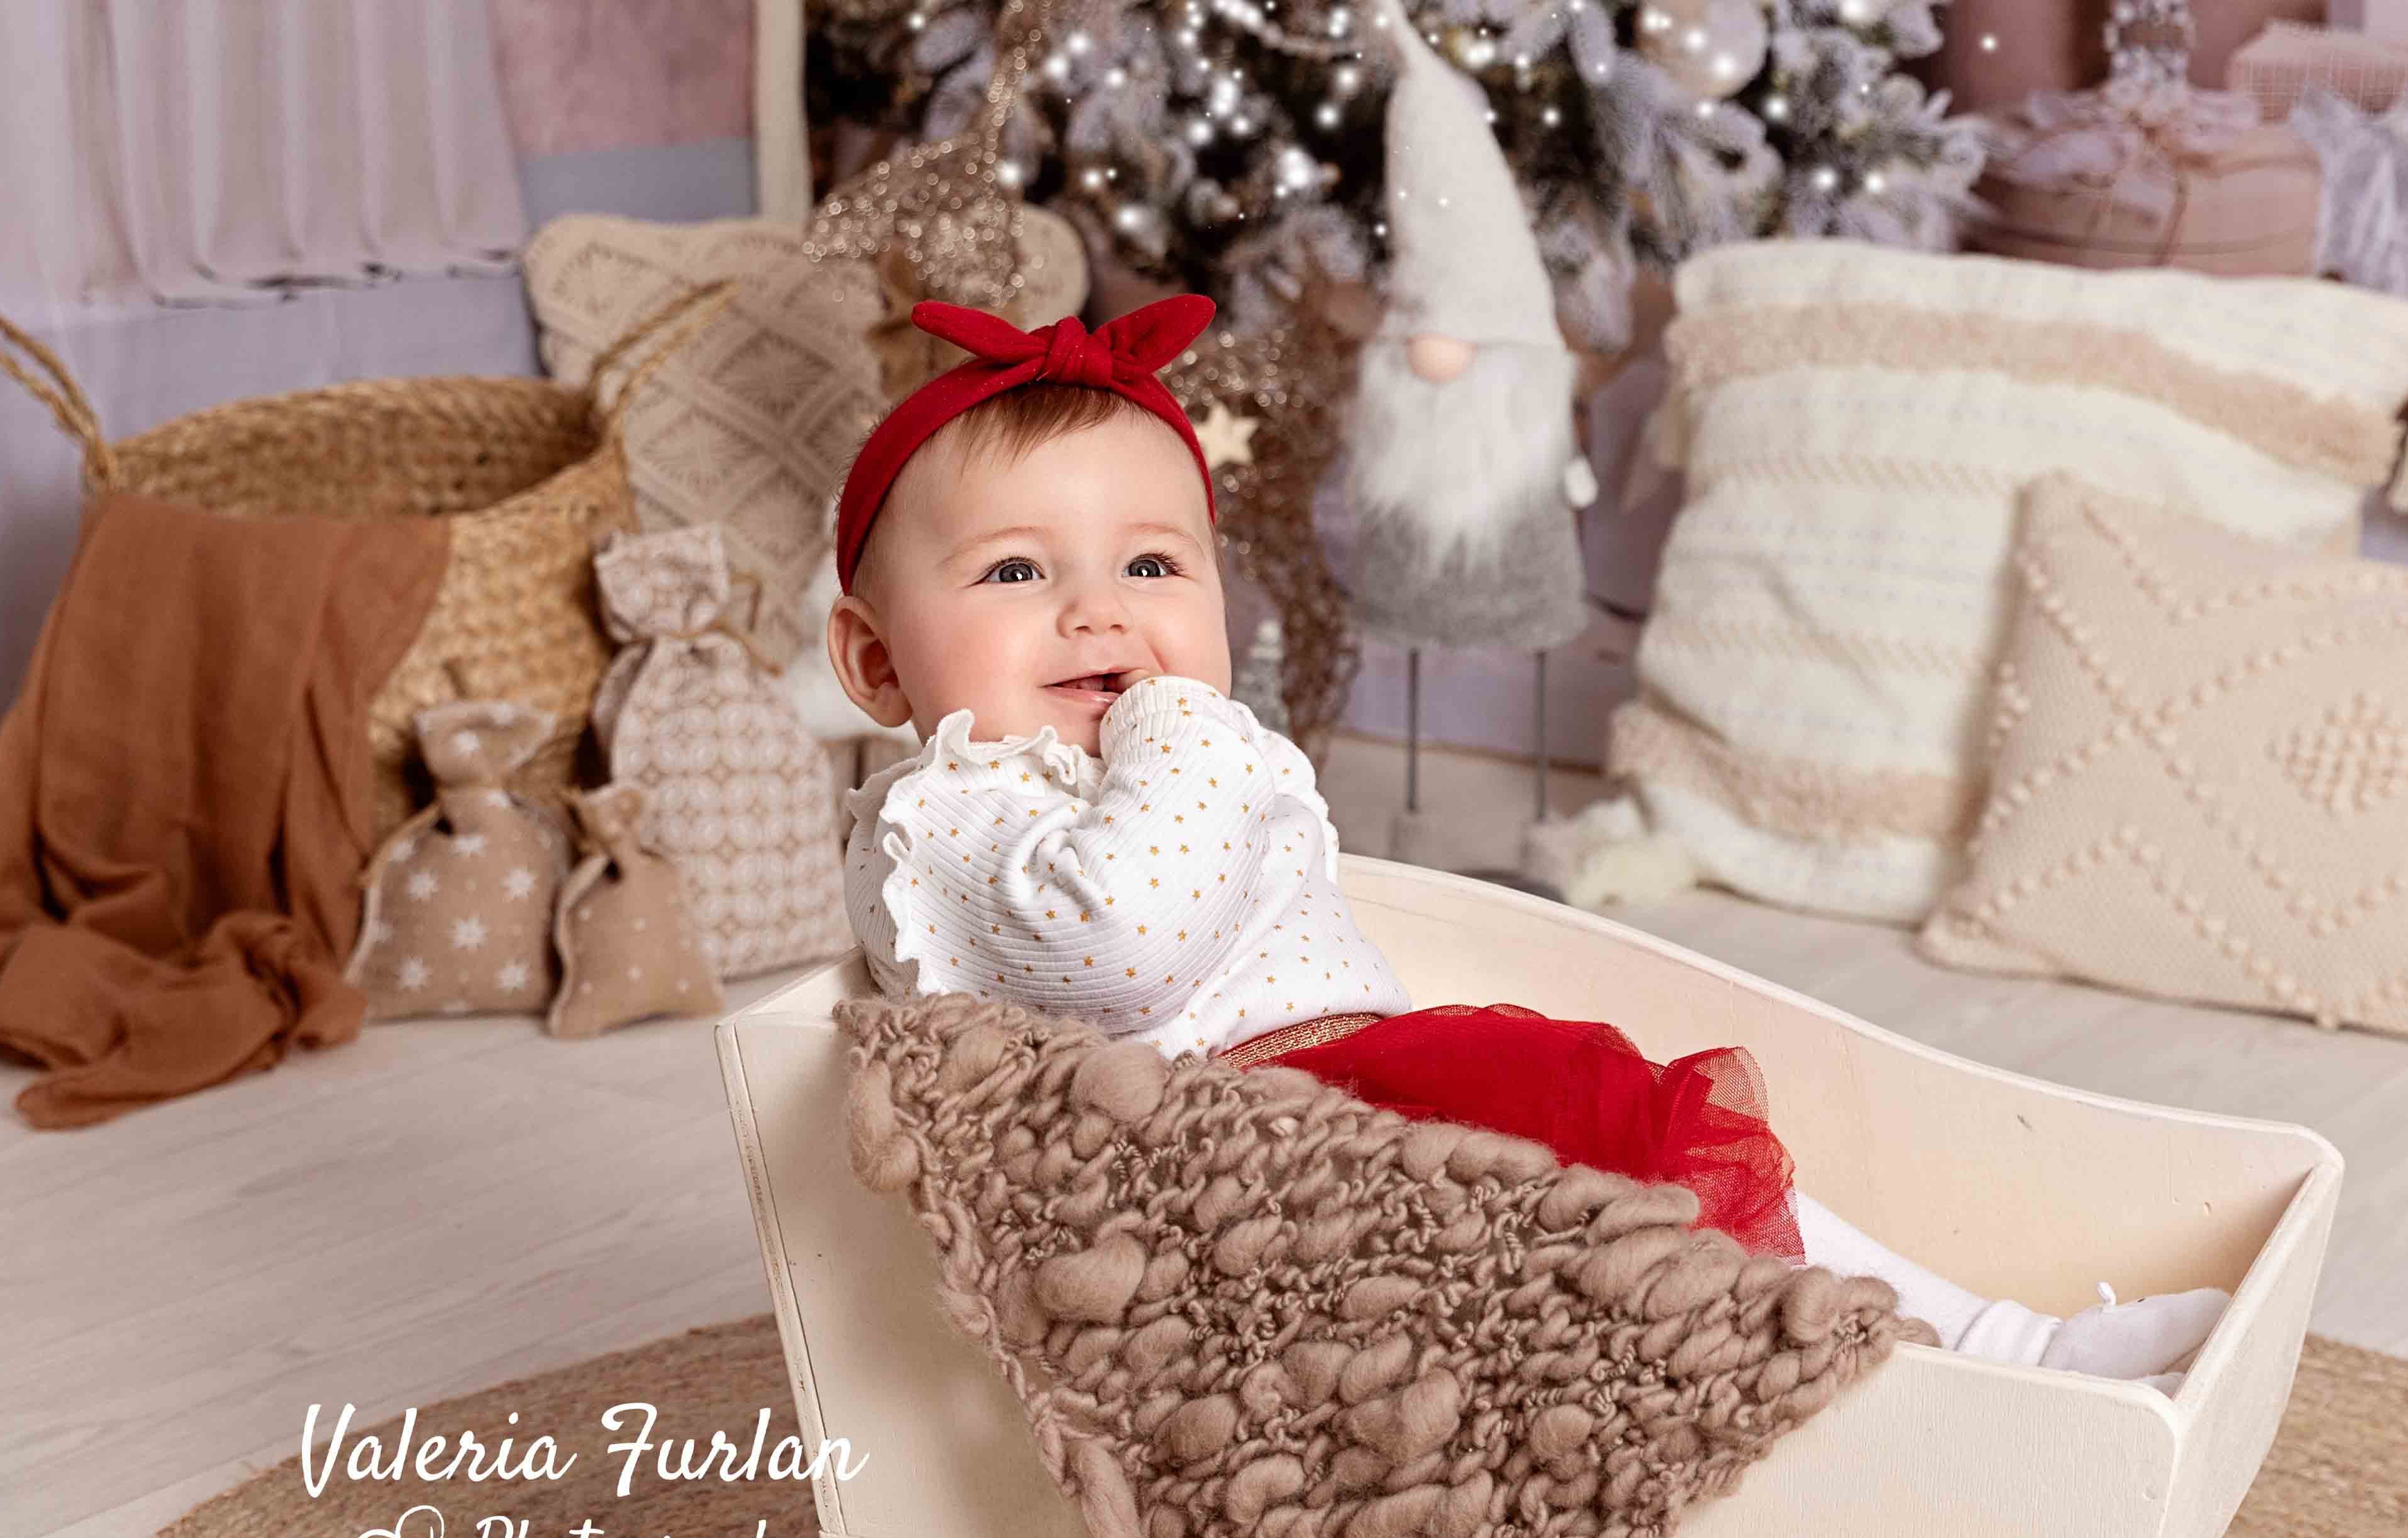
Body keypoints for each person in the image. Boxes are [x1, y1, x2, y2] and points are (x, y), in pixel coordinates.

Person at [826, 294, 2228, 1384]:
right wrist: (1184, 725)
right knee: (1598, 1165)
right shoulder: (944, 815)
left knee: (1627, 1136)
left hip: (1331, 1108)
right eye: (1015, 570)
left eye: (1151, 565)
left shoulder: (1143, 761)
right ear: (876, 663)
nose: (1099, 611)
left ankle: (1973, 1343)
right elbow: (1127, 943)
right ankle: (1930, 1358)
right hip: (1224, 1173)